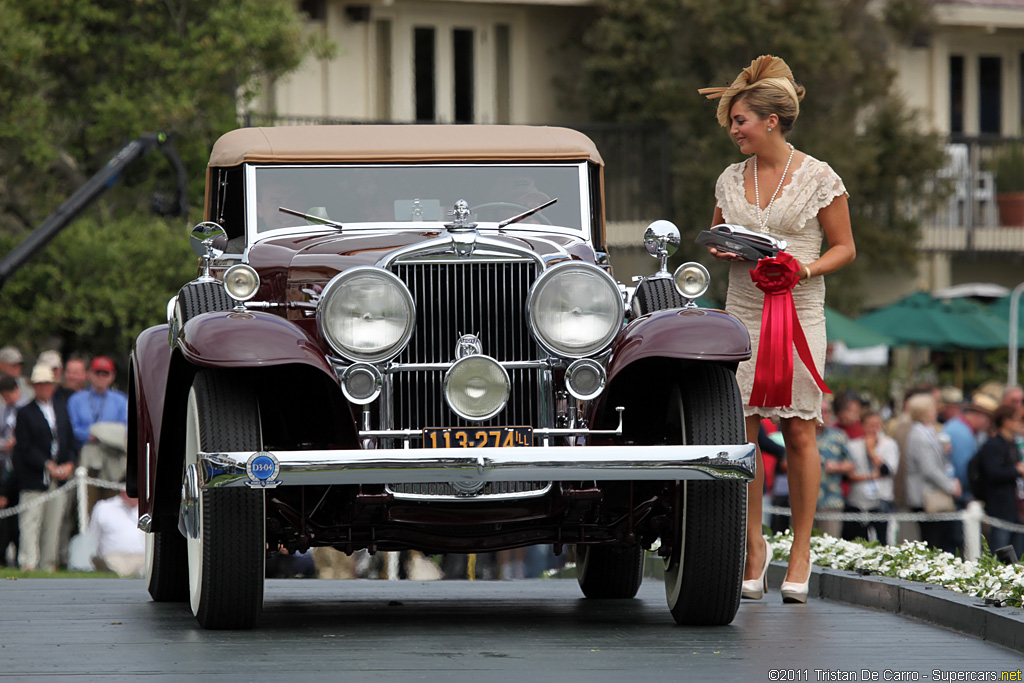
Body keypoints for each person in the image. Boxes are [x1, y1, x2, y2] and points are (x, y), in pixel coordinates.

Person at [699, 55, 856, 603]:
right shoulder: (728, 178)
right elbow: (717, 236)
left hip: (800, 312)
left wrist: (803, 267)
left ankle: (802, 550)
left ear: (770, 120)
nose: (733, 130)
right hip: (741, 312)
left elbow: (845, 247)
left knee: (798, 430)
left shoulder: (818, 176)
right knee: (740, 432)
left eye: (739, 120)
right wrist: (723, 248)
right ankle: (752, 546)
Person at [13, 364, 77, 571]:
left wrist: (69, 463)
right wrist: (46, 464)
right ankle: (28, 562)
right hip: (35, 477)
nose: (44, 388)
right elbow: (24, 446)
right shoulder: (25, 412)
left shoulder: (60, 408)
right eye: (40, 384)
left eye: (48, 384)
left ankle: (48, 563)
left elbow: (68, 439)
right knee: (31, 521)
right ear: (34, 387)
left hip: (59, 477)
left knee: (54, 522)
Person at [903, 392, 961, 554]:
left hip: (931, 493)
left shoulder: (928, 431)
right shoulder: (919, 435)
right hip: (926, 496)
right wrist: (950, 487)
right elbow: (929, 469)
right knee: (933, 543)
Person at [974, 406, 1024, 557]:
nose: (1021, 423)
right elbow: (993, 473)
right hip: (1000, 506)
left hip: (1015, 506)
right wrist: (1017, 471)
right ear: (1006, 421)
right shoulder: (993, 445)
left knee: (1017, 551)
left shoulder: (1012, 445)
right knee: (1001, 550)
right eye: (1017, 420)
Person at [844, 410, 900, 543]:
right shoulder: (852, 445)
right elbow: (849, 475)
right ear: (862, 426)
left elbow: (887, 471)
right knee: (859, 540)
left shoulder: (889, 445)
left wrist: (872, 452)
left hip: (881, 498)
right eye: (870, 425)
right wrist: (872, 476)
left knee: (882, 540)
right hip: (857, 500)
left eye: (877, 425)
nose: (873, 429)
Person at [67, 356, 128, 451]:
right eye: (97, 373)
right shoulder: (76, 399)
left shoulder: (121, 400)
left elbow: (125, 428)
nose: (101, 377)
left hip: (112, 451)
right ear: (89, 374)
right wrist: (90, 436)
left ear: (112, 376)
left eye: (105, 374)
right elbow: (72, 428)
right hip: (84, 450)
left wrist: (105, 436)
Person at [942, 394, 995, 505]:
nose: (989, 425)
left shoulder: (959, 427)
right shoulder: (962, 434)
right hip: (958, 497)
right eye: (989, 420)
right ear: (980, 415)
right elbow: (964, 470)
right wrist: (967, 496)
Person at [815, 399, 854, 539]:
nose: (824, 415)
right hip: (803, 502)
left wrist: (837, 467)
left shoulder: (838, 435)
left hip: (831, 500)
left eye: (827, 411)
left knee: (830, 543)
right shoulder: (800, 434)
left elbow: (851, 464)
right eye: (820, 411)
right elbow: (784, 463)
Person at [88, 489, 146, 577]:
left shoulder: (151, 507)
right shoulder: (104, 507)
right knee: (114, 566)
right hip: (115, 557)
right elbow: (93, 536)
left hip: (144, 558)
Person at [0, 375, 22, 565]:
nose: (9, 398)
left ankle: (18, 555)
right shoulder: (3, 410)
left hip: (20, 468)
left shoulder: (25, 409)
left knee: (18, 515)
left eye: (10, 394)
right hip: (5, 466)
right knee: (6, 514)